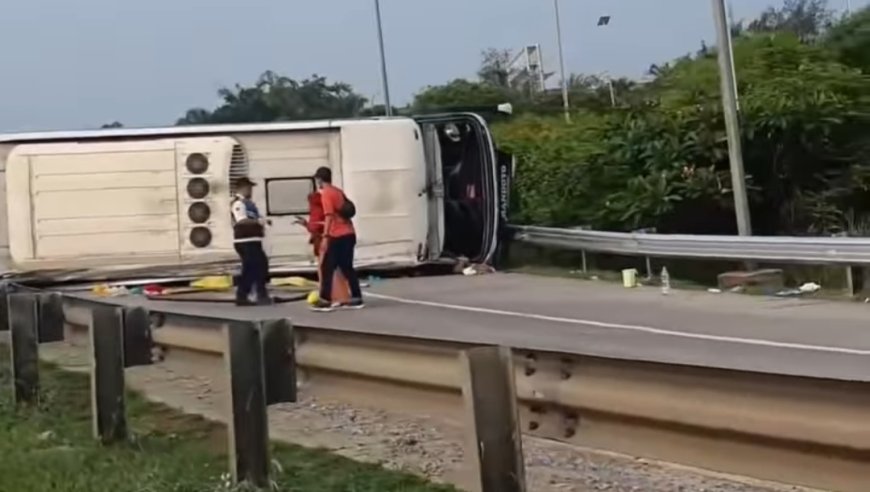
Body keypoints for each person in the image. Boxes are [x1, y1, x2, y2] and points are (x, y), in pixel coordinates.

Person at [310, 166, 363, 312]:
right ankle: (357, 297)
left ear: (319, 180)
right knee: (347, 267)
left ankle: (325, 300)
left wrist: (326, 237)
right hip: (349, 233)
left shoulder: (326, 193)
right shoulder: (338, 191)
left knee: (327, 267)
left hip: (337, 235)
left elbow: (329, 216)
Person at [295, 191, 351, 304]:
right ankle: (343, 296)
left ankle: (332, 297)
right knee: (339, 270)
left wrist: (306, 224)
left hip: (323, 242)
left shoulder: (317, 208)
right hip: (335, 240)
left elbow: (315, 227)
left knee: (326, 270)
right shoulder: (332, 207)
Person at [230, 177, 271, 306]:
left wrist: (263, 222)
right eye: (249, 187)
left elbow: (255, 218)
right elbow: (241, 220)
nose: (251, 190)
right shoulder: (238, 203)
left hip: (254, 240)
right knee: (251, 268)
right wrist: (258, 222)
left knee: (261, 266)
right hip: (245, 240)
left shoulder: (250, 204)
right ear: (242, 188)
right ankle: (243, 295)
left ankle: (261, 294)